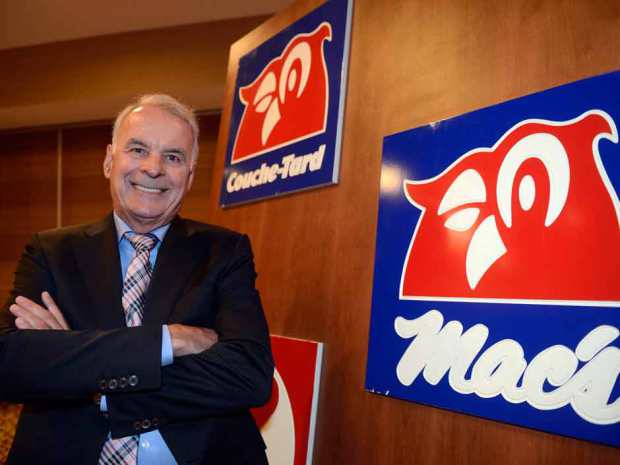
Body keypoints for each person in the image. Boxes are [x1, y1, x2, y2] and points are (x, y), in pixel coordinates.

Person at [0, 94, 274, 465]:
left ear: (190, 176)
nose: (153, 168)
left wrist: (84, 373)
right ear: (109, 161)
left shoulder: (225, 251)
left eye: (173, 157)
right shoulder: (52, 251)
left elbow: (248, 376)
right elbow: (11, 364)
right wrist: (168, 340)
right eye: (138, 149)